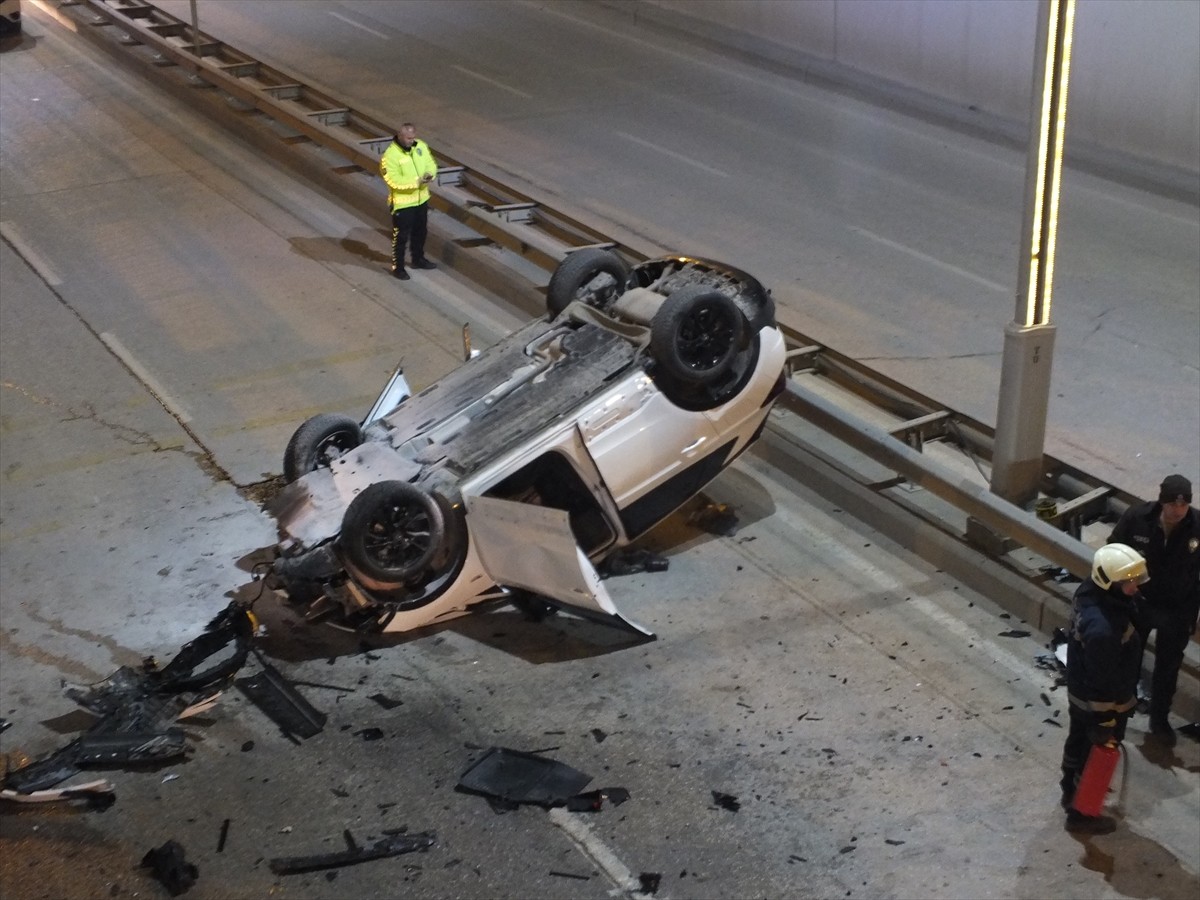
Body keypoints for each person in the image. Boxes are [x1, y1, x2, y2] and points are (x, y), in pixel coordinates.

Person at [1060, 543, 1147, 834]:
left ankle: (1068, 789)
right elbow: (1103, 679)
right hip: (1099, 704)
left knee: (1077, 743)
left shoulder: (1090, 594)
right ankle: (1081, 812)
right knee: (1093, 754)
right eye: (1129, 583)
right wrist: (1106, 720)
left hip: (1079, 693)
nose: (1135, 587)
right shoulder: (1104, 629)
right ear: (1110, 583)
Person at [1109, 473, 1200, 742]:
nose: (1177, 511)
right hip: (1141, 602)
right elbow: (1113, 551)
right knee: (1129, 661)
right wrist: (1120, 591)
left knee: (1168, 667)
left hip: (1178, 608)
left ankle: (1159, 720)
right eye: (1172, 504)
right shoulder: (1138, 518)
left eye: (1183, 506)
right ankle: (1121, 716)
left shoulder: (1197, 527)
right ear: (1162, 502)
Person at [380, 123, 438, 281]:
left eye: (413, 137)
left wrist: (429, 175)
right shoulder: (390, 156)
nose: (412, 141)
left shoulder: (421, 146)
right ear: (399, 135)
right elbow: (393, 181)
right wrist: (417, 183)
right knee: (401, 237)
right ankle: (398, 267)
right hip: (403, 204)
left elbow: (431, 164)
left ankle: (418, 259)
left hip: (421, 200)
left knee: (421, 232)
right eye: (408, 138)